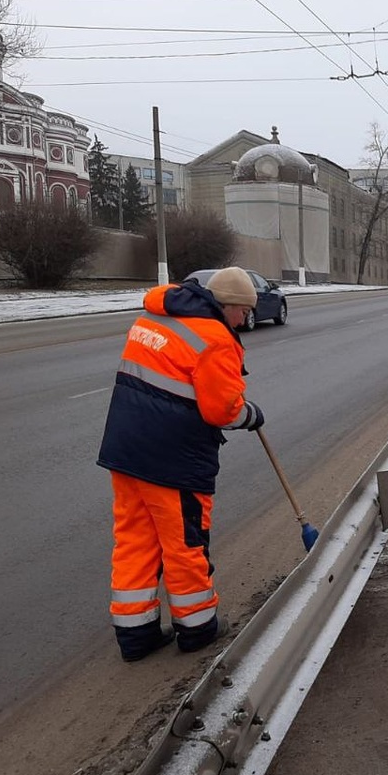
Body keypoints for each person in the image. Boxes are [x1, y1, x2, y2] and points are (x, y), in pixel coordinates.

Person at [97, 267, 265, 662]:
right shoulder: (214, 338)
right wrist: (251, 414)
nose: (243, 320)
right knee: (185, 543)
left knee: (135, 540)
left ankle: (136, 635)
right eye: (243, 311)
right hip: (173, 460)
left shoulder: (155, 317)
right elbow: (222, 410)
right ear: (227, 305)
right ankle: (197, 627)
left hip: (126, 448)